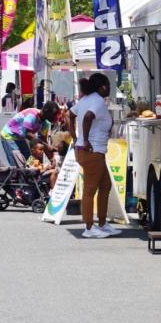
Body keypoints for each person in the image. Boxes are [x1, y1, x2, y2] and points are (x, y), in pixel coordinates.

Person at [70, 73, 118, 239]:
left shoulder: (86, 99)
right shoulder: (97, 100)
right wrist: (85, 140)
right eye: (108, 87)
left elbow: (70, 115)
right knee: (90, 189)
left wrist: (77, 138)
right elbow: (88, 117)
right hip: (92, 151)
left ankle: (103, 224)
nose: (109, 89)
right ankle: (89, 227)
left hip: (89, 150)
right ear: (103, 86)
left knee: (105, 185)